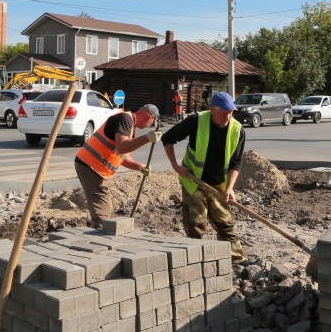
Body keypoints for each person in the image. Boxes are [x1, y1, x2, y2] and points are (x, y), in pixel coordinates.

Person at [162, 92, 246, 264]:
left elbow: (236, 163)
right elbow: (167, 138)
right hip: (194, 181)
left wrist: (229, 189)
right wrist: (175, 166)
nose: (227, 116)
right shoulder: (196, 121)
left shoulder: (237, 130)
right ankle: (195, 260)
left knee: (225, 223)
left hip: (219, 185)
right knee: (195, 224)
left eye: (230, 112)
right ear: (212, 110)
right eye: (224, 113)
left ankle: (236, 260)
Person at [74, 104, 163, 228]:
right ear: (150, 117)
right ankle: (100, 239)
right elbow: (122, 147)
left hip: (93, 166)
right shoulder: (125, 120)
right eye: (151, 124)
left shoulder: (129, 124)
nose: (149, 127)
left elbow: (123, 157)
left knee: (104, 208)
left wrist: (140, 167)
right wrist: (147, 138)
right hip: (91, 165)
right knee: (102, 213)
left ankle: (97, 233)